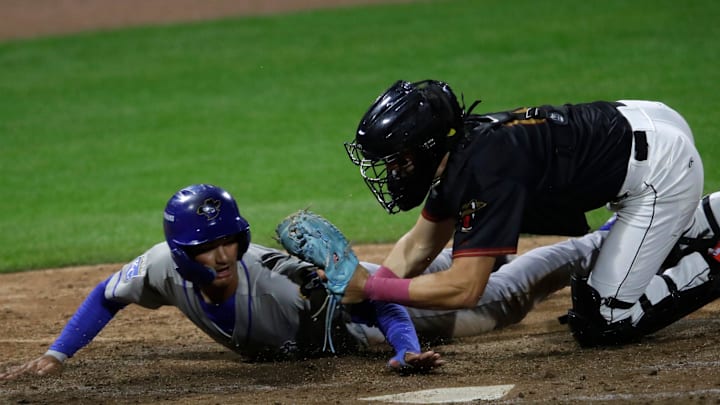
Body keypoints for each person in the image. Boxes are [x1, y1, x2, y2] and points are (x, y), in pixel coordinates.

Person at [1, 183, 607, 380]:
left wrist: (405, 350)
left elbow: (369, 299)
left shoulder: (280, 280)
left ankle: (599, 243)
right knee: (459, 266)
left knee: (501, 303)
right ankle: (492, 234)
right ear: (181, 252)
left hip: (367, 308)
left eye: (227, 241)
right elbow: (106, 294)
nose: (219, 256)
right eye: (205, 247)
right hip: (352, 303)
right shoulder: (161, 266)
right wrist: (58, 353)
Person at [340, 79, 720, 347]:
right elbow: (418, 245)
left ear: (426, 148)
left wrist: (372, 286)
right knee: (634, 253)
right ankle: (706, 217)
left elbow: (465, 288)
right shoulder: (459, 152)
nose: (393, 172)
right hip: (641, 125)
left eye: (399, 160)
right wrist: (365, 299)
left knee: (604, 321)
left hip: (660, 172)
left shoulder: (484, 172)